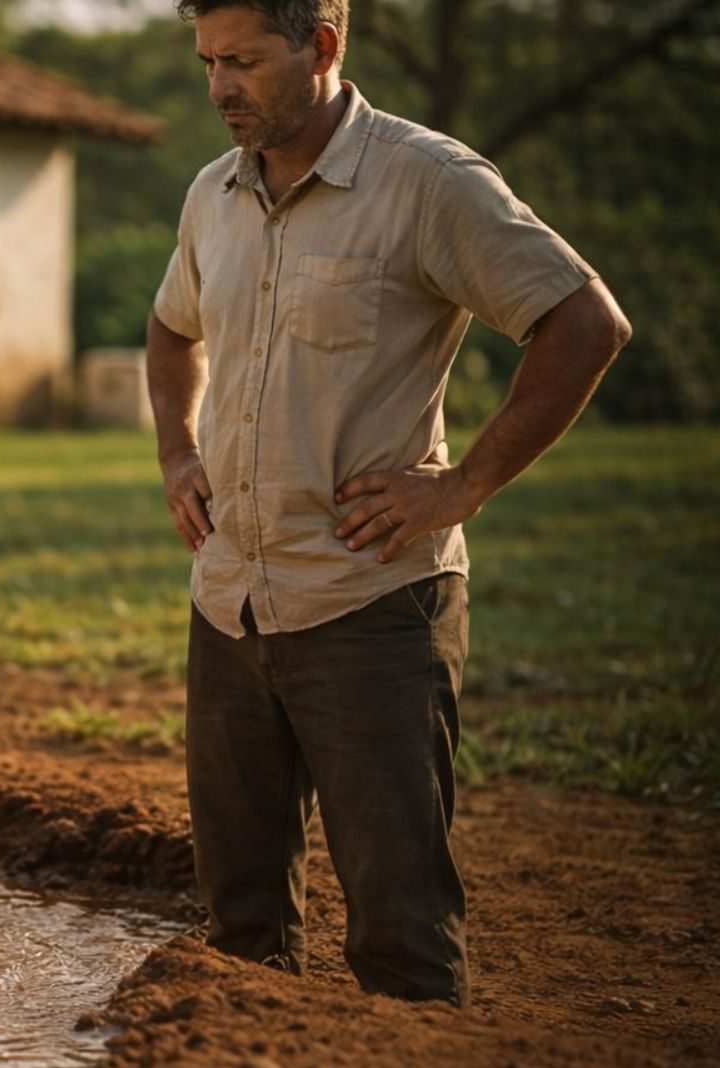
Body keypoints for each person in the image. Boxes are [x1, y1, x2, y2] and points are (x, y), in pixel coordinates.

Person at [146, 0, 631, 1007]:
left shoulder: (428, 182)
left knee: (402, 941)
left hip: (373, 612)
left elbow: (585, 324)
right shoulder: (211, 195)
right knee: (239, 931)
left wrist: (462, 486)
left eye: (241, 61)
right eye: (205, 61)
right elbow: (170, 331)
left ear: (322, 46)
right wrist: (178, 451)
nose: (218, 88)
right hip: (228, 606)